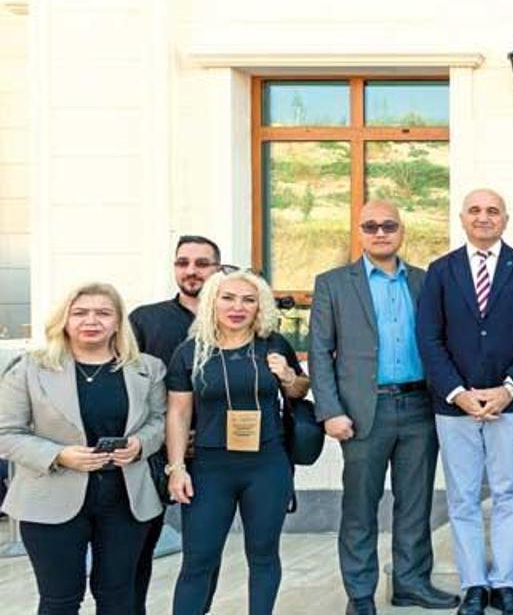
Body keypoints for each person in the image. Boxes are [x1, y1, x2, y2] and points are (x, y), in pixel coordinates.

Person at [309, 200, 459, 615]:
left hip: (419, 406)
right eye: (371, 226)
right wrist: (329, 411)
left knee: (416, 502)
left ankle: (411, 583)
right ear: (359, 231)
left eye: (388, 225)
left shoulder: (425, 281)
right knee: (360, 506)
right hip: (362, 411)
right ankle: (360, 595)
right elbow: (319, 351)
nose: (380, 233)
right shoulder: (333, 284)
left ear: (401, 231)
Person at [416, 189, 513, 615]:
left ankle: (505, 584)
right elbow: (429, 339)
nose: (483, 217)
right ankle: (474, 584)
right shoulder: (441, 271)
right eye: (475, 210)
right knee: (463, 497)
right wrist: (458, 392)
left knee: (509, 492)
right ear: (462, 218)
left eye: (493, 211)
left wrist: (508, 388)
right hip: (454, 405)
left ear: (505, 219)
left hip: (510, 403)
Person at [0, 283, 166, 615]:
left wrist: (139, 445)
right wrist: (58, 455)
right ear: (64, 320)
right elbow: (7, 433)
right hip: (49, 499)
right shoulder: (29, 368)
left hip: (125, 500)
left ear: (118, 322)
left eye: (103, 313)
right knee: (59, 600)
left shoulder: (148, 368)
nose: (91, 321)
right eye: (80, 313)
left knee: (119, 597)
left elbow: (159, 422)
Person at [165, 269, 310, 615]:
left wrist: (288, 376)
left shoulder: (273, 344)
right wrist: (176, 468)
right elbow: (178, 414)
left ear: (260, 306)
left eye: (248, 300)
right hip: (209, 468)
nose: (237, 307)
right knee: (198, 560)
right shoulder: (190, 352)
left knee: (263, 555)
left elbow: (299, 391)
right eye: (228, 298)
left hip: (267, 465)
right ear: (212, 302)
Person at [128, 234, 223, 615]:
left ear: (218, 269)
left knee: (204, 552)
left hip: (212, 451)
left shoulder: (233, 320)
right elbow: (128, 384)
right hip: (152, 451)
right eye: (183, 262)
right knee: (137, 548)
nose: (191, 271)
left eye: (202, 263)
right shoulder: (145, 319)